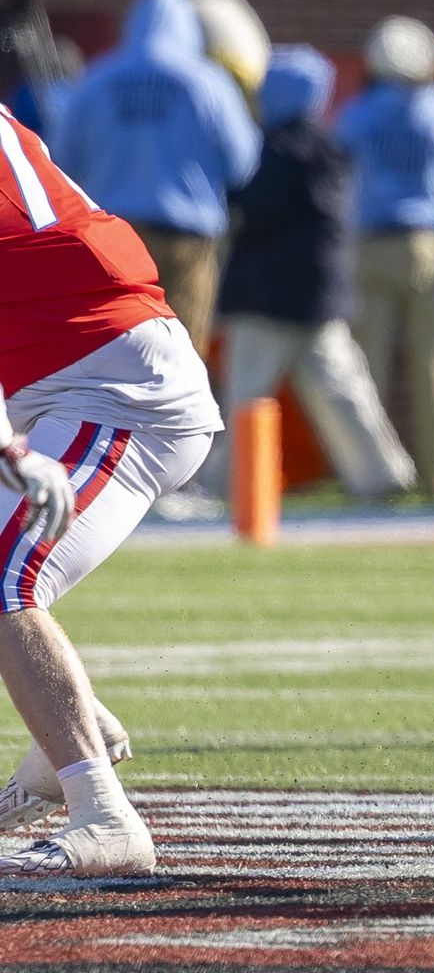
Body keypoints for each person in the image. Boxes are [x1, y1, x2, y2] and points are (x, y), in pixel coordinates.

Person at [0, 102, 220, 874]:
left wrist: (7, 446)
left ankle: (104, 816)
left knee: (3, 575)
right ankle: (67, 732)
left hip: (113, 394)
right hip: (68, 387)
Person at [207, 45, 415, 502]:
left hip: (263, 298)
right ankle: (382, 475)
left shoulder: (270, 150)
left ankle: (221, 485)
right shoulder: (330, 148)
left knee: (245, 396)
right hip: (320, 298)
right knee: (344, 392)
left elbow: (252, 212)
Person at [54, 0, 260, 357]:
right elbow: (243, 164)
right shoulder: (208, 83)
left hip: (111, 239)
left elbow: (63, 161)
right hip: (187, 242)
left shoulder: (97, 80)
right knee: (181, 359)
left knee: (113, 351)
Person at [338, 16, 434, 507]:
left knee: (367, 368)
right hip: (423, 245)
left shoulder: (357, 114)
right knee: (433, 366)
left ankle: (372, 480)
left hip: (368, 245)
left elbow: (338, 178)